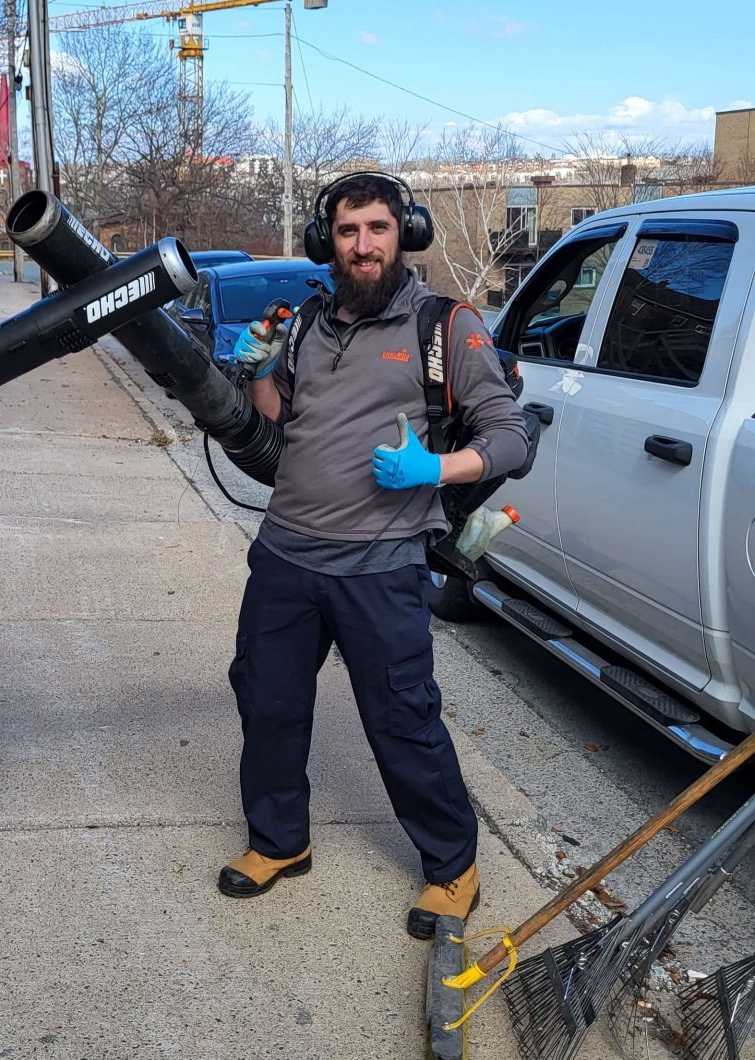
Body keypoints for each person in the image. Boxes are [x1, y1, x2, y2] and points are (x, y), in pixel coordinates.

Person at [222, 172, 528, 939]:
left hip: (382, 562)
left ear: (404, 234)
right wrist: (259, 369)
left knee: (402, 719)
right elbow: (281, 424)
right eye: (350, 230)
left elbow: (508, 437)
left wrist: (436, 470)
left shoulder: (444, 326)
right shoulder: (306, 323)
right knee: (269, 704)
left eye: (378, 230)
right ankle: (278, 842)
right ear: (328, 240)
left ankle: (453, 869)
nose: (364, 245)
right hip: (287, 552)